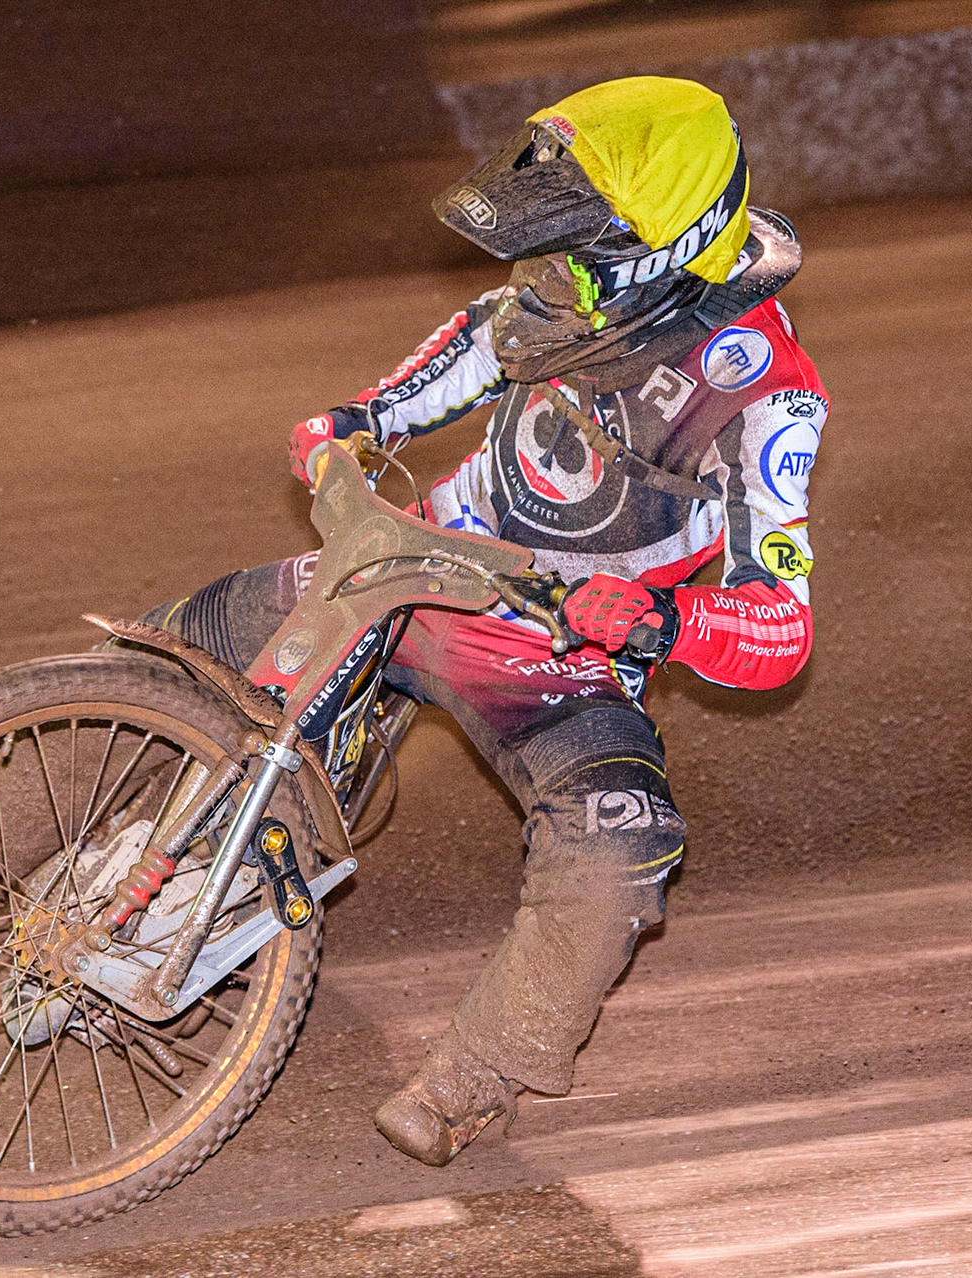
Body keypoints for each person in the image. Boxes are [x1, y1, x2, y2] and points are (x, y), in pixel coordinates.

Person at [144, 75, 826, 1166]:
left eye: (565, 260)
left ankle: (478, 1075)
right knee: (179, 639)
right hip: (417, 567)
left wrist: (655, 619)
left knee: (621, 851)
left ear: (652, 255)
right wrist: (357, 420)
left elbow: (779, 628)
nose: (536, 283)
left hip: (557, 654)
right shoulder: (567, 298)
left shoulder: (760, 397)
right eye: (536, 257)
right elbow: (475, 340)